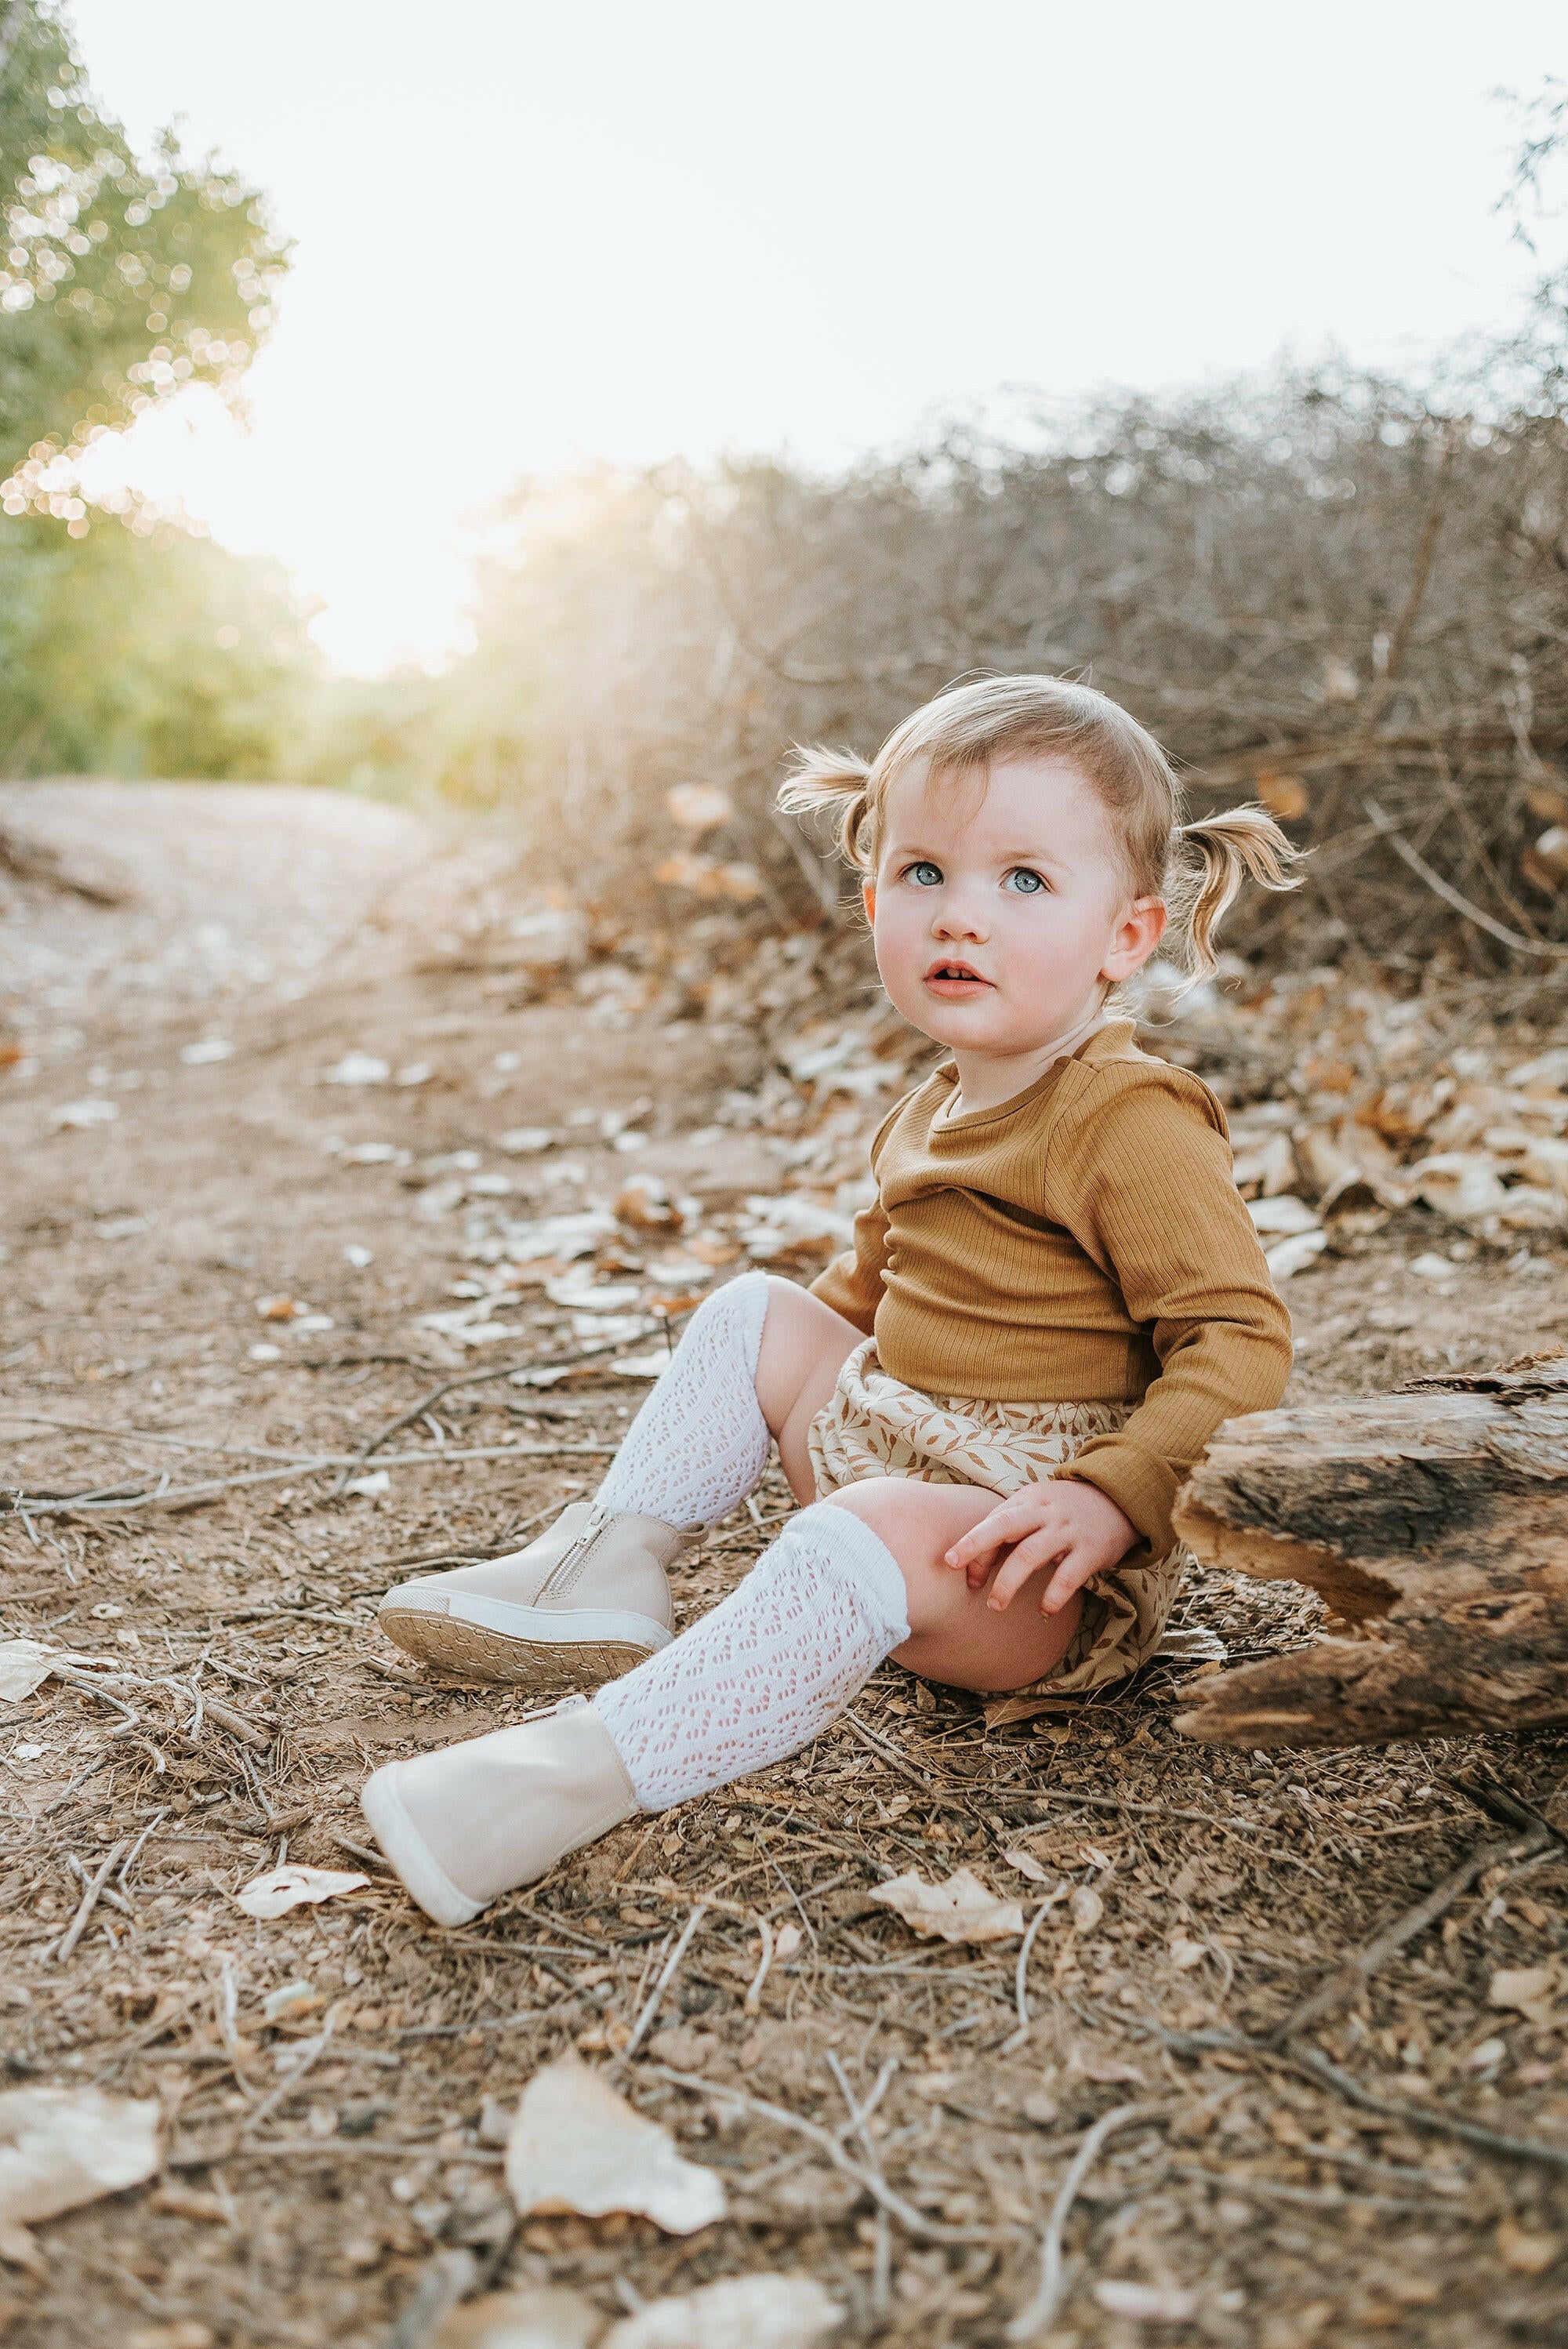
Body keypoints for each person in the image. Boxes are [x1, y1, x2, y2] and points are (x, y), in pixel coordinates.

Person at [362, 674, 1300, 1926]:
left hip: (1020, 1553)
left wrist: (1113, 1495)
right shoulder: (940, 1098)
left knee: (844, 1542)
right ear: (873, 903)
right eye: (925, 874)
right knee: (756, 1308)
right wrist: (775, 1386)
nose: (962, 915)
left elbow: (1238, 1338)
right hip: (898, 1446)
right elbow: (871, 1287)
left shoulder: (1130, 1118)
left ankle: (553, 1783)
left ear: (1128, 935)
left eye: (1024, 881)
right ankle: (610, 1565)